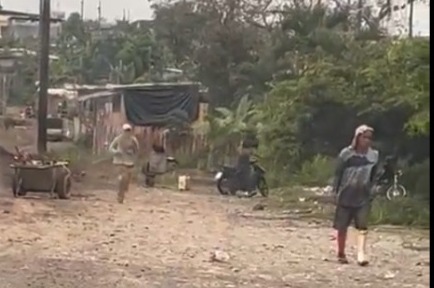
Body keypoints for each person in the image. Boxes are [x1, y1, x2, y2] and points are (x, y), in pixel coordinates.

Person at [332, 124, 379, 266]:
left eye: (369, 138)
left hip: (363, 194)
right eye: (364, 137)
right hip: (346, 194)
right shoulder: (346, 154)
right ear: (357, 138)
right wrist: (334, 191)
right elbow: (338, 174)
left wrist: (373, 188)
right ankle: (340, 252)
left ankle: (361, 254)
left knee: (362, 225)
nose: (367, 141)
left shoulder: (373, 156)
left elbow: (374, 175)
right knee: (342, 226)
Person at [109, 123, 139, 203]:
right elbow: (111, 148)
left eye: (128, 130)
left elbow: (137, 150)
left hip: (128, 162)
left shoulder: (133, 140)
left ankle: (122, 191)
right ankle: (120, 195)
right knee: (122, 178)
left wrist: (132, 153)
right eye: (126, 130)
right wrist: (116, 152)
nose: (127, 132)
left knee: (126, 180)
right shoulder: (118, 139)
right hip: (119, 161)